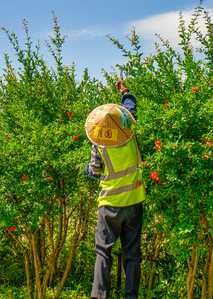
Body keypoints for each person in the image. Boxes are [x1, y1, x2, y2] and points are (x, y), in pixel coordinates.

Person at [84, 78, 146, 299]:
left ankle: (100, 296)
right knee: (132, 254)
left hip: (109, 205)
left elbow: (94, 171)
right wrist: (125, 90)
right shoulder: (129, 132)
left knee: (103, 252)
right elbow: (131, 107)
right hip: (133, 201)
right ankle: (131, 296)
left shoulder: (98, 144)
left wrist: (88, 170)